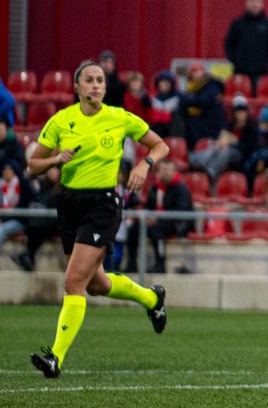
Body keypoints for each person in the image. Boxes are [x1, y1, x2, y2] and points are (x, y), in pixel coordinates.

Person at [25, 61, 171, 378]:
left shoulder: (119, 118)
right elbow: (33, 166)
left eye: (100, 81)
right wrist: (55, 159)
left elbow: (161, 145)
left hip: (103, 204)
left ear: (105, 87)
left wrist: (144, 165)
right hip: (68, 203)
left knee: (73, 281)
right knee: (95, 284)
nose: (95, 85)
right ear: (77, 87)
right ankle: (151, 298)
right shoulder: (61, 121)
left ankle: (55, 358)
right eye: (89, 80)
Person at [224, 0, 268, 92]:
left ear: (262, 5)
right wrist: (235, 60)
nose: (254, 5)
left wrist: (267, 62)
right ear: (246, 4)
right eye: (251, 2)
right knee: (239, 97)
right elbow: (229, 43)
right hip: (240, 70)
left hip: (261, 71)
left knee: (259, 97)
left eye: (257, 2)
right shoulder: (237, 23)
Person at [179, 62, 225, 147]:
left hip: (211, 122)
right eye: (194, 71)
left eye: (199, 71)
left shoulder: (213, 84)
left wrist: (189, 100)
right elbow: (184, 103)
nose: (197, 74)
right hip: (198, 121)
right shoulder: (191, 87)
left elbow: (203, 100)